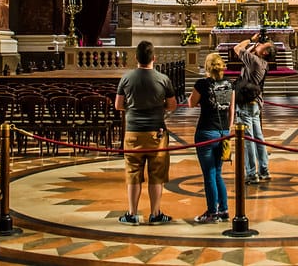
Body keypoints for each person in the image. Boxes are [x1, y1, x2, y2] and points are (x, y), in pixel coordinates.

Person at [114, 41, 178, 225]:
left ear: (136, 58)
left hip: (133, 132)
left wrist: (134, 107)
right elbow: (172, 105)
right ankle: (155, 213)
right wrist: (159, 108)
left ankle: (132, 214)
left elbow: (118, 105)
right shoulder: (163, 79)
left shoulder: (126, 78)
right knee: (156, 174)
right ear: (154, 58)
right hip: (156, 132)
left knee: (133, 173)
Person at [188, 52, 234, 223]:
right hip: (223, 133)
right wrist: (227, 131)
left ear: (207, 67)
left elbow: (191, 103)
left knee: (209, 174)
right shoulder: (229, 84)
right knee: (218, 173)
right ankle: (224, 210)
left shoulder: (201, 84)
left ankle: (211, 212)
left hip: (206, 132)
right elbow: (231, 111)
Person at [233, 32, 275, 184]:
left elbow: (237, 48)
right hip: (256, 103)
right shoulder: (262, 63)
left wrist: (251, 40)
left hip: (246, 105)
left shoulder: (255, 61)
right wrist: (255, 47)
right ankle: (264, 169)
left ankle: (251, 173)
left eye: (263, 44)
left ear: (264, 52)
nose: (259, 43)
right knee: (258, 138)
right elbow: (246, 58)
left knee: (249, 140)